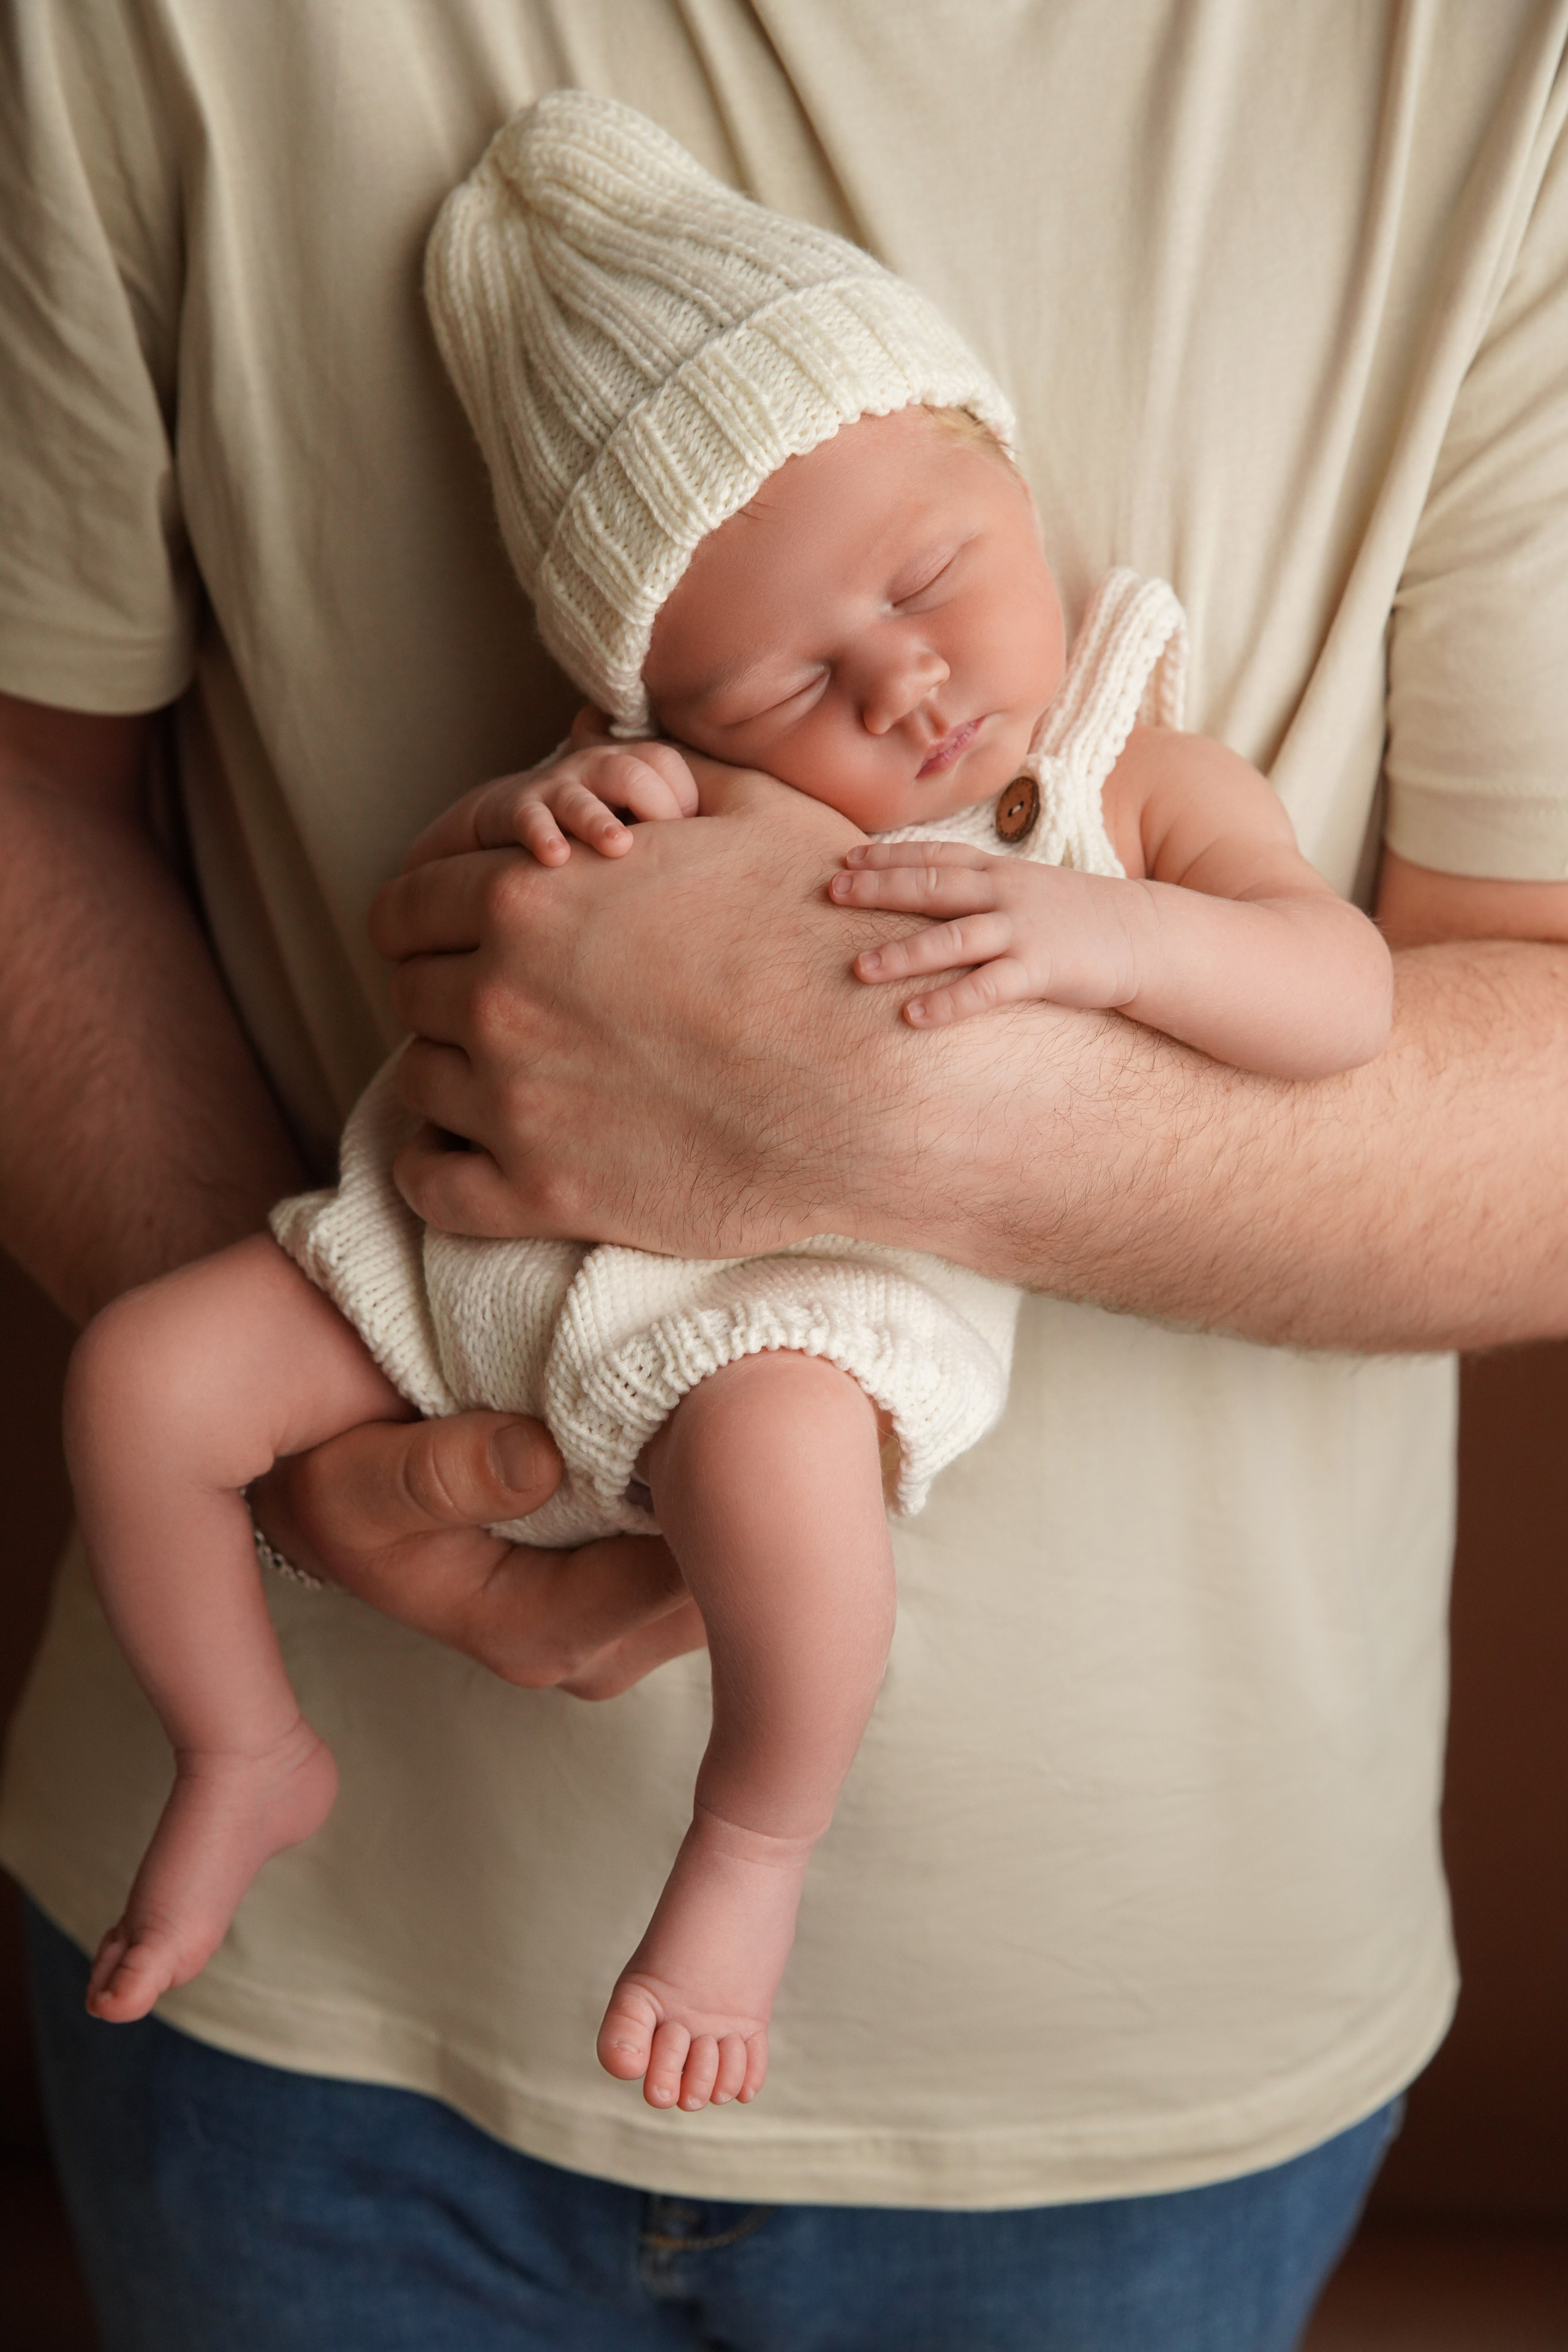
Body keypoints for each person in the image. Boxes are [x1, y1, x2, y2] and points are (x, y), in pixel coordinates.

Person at [3, 7, 1567, 2346]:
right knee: (143, 1379)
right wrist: (558, 828)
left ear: (999, 467)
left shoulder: (1115, 762)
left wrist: (1080, 963)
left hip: (1087, 1951)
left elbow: (1344, 995)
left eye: (932, 577)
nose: (903, 699)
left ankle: (747, 1847)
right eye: (774, 694)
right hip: (382, 1696)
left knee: (776, 1479)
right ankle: (247, 1745)